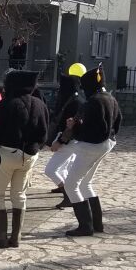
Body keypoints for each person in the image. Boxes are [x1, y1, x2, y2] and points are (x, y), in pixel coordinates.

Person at [0, 70, 49, 248]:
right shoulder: (39, 104)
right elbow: (44, 133)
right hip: (30, 155)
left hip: (7, 154)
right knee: (19, 194)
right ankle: (16, 237)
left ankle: (0, 236)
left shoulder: (8, 104)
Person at [62, 65, 122, 237]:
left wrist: (74, 127)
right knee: (85, 183)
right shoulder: (110, 98)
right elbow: (117, 123)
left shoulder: (93, 101)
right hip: (107, 144)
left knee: (71, 184)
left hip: (91, 146)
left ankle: (85, 226)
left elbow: (90, 131)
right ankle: (97, 224)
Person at [45, 72, 85, 209]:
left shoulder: (75, 102)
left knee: (50, 170)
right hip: (72, 142)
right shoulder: (73, 99)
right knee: (63, 169)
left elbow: (71, 127)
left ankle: (68, 194)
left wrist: (59, 142)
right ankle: (66, 190)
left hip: (70, 142)